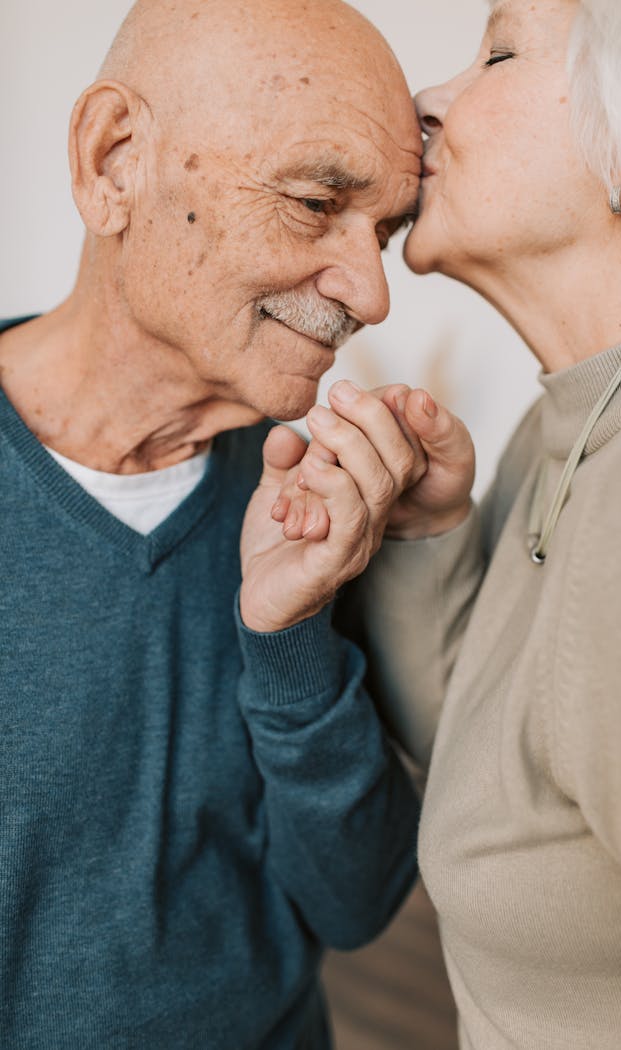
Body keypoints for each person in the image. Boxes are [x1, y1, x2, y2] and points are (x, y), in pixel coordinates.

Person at [0, 0, 435, 1045]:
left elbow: (354, 902)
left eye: (383, 231)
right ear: (115, 161)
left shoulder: (316, 506)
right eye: (312, 201)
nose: (372, 292)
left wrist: (288, 638)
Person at [279, 0, 621, 1046]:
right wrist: (430, 537)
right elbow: (518, 791)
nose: (426, 100)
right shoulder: (571, 421)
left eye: (499, 53)